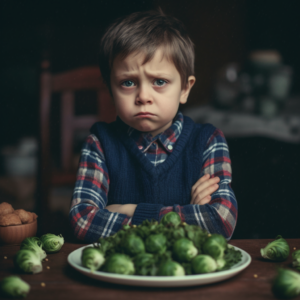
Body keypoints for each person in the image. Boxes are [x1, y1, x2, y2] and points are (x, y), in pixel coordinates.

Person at [69, 9, 237, 243]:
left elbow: (220, 221)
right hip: (119, 276)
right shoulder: (99, 143)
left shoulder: (208, 141)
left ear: (185, 89)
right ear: (110, 90)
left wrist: (131, 211)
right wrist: (186, 213)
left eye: (159, 82)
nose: (143, 96)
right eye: (128, 83)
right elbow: (82, 221)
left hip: (187, 276)